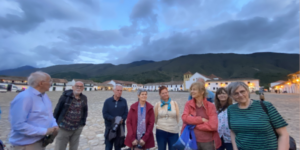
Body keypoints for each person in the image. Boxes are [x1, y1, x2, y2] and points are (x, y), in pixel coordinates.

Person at [227, 82, 289, 150]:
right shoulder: (231, 109)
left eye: (242, 91)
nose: (240, 95)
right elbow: (233, 131)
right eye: (236, 93)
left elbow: (283, 134)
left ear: (247, 91)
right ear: (231, 96)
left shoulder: (266, 106)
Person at [9, 71, 58, 150]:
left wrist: (54, 125)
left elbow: (49, 114)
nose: (51, 83)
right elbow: (18, 125)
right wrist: (44, 131)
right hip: (27, 145)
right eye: (50, 81)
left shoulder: (44, 96)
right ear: (41, 83)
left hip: (40, 142)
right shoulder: (24, 98)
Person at [182, 82, 221, 150]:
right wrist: (201, 120)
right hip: (192, 140)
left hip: (208, 142)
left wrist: (194, 125)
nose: (192, 91)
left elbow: (213, 126)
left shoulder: (210, 106)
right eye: (191, 89)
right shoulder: (188, 104)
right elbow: (184, 118)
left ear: (202, 92)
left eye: (194, 89)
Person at [53, 81, 88, 150]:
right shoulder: (65, 97)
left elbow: (85, 111)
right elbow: (57, 110)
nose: (78, 88)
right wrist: (54, 123)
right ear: (73, 87)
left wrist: (82, 124)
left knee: (74, 148)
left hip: (77, 128)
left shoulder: (84, 98)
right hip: (64, 127)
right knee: (60, 147)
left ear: (83, 88)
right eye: (77, 86)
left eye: (81, 86)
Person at [102, 84, 128, 150]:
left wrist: (123, 119)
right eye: (118, 90)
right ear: (113, 90)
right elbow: (105, 114)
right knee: (108, 147)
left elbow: (126, 113)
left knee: (118, 148)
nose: (119, 92)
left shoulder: (124, 101)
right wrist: (114, 119)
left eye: (121, 90)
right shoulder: (107, 101)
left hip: (120, 129)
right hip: (109, 129)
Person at [154, 86, 180, 150]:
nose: (165, 94)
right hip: (161, 131)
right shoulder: (157, 104)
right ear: (160, 94)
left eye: (166, 92)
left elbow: (177, 117)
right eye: (163, 93)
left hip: (173, 132)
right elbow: (155, 119)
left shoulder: (174, 103)